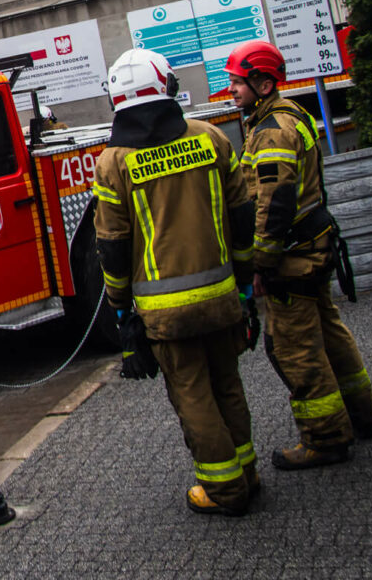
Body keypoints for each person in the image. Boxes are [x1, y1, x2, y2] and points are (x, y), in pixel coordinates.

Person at [93, 48, 258, 516]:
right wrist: (244, 283)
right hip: (223, 295)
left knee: (193, 393)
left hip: (164, 313)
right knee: (228, 384)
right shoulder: (210, 139)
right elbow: (242, 216)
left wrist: (120, 308)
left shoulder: (112, 163)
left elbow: (113, 245)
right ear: (166, 87)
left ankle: (225, 490)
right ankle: (247, 472)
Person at [226, 40, 372, 470]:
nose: (231, 90)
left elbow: (274, 202)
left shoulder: (272, 129)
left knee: (295, 348)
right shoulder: (291, 115)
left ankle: (326, 439)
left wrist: (260, 261)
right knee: (330, 334)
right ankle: (361, 415)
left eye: (238, 82)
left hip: (292, 258)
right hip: (314, 248)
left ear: (262, 81)